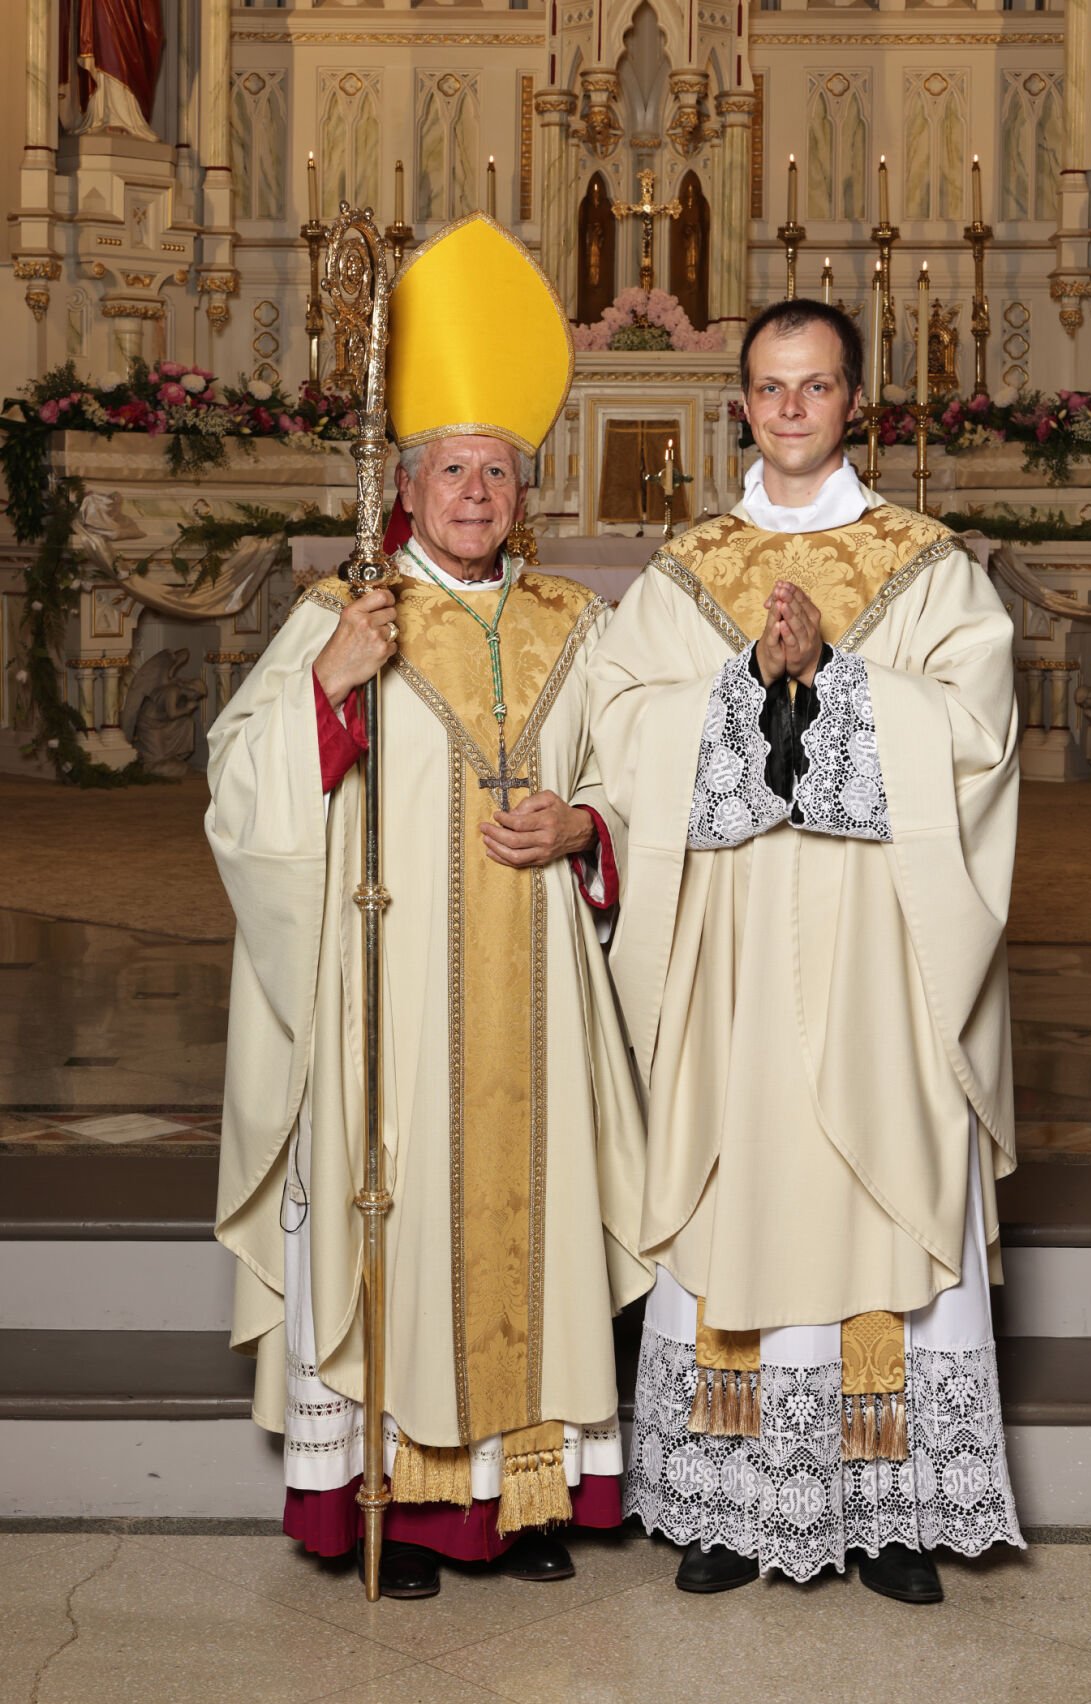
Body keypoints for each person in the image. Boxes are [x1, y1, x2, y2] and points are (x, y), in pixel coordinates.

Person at [206, 213, 649, 1601]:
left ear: (528, 488)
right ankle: (391, 1507)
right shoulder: (352, 607)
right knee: (397, 1214)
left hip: (537, 996)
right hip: (390, 999)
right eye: (452, 469)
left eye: (498, 471)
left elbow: (637, 790)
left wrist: (583, 826)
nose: (475, 491)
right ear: (409, 482)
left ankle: (522, 1505)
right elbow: (241, 785)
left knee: (530, 1217)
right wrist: (332, 686)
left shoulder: (582, 625)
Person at [589, 298, 1025, 1601]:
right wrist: (740, 693)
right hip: (727, 942)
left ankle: (883, 1509)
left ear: (851, 403)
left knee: (874, 1176)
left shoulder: (926, 564)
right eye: (770, 388)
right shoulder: (683, 570)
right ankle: (730, 1503)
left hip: (877, 945)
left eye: (815, 386)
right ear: (740, 402)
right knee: (740, 1184)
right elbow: (621, 732)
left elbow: (978, 737)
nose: (791, 408)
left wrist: (832, 676)